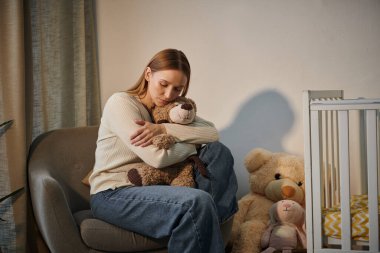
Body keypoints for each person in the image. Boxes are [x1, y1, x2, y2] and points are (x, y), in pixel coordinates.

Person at [89, 48, 238, 253]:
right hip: (113, 194)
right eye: (164, 84)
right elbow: (157, 158)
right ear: (148, 74)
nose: (169, 95)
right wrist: (192, 144)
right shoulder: (121, 103)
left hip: (154, 187)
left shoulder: (172, 112)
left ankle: (207, 226)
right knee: (197, 202)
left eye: (178, 89)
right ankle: (209, 231)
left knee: (218, 151)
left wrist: (164, 128)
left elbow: (212, 134)